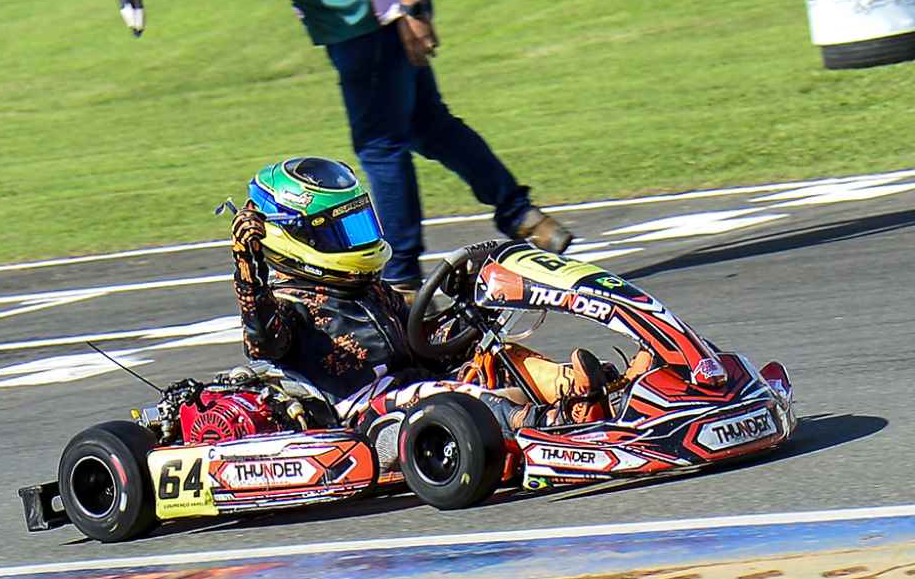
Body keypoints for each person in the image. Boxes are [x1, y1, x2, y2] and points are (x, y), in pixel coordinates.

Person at [249, 0, 574, 293]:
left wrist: (414, 7)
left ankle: (401, 276)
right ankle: (521, 214)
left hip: (374, 22)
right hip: (344, 29)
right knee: (429, 125)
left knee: (380, 145)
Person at [228, 157, 649, 437]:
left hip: (417, 393)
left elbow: (420, 339)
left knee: (497, 358)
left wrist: (469, 306)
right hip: (360, 421)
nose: (357, 240)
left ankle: (591, 391)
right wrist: (248, 272)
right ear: (295, 236)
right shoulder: (287, 306)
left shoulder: (367, 289)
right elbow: (262, 340)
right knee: (447, 398)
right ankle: (544, 425)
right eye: (341, 232)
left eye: (358, 224)